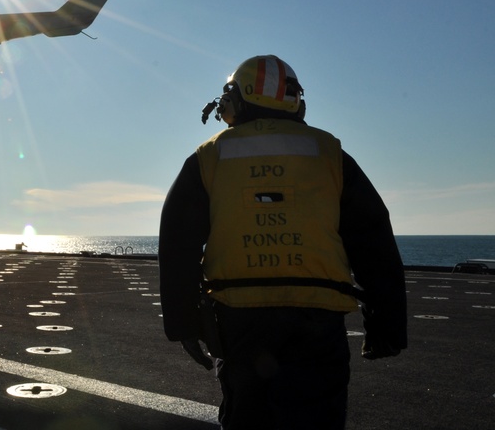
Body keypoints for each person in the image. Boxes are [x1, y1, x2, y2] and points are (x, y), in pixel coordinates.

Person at [158, 55, 407, 430]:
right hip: (317, 320)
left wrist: (183, 324)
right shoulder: (330, 154)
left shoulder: (209, 157)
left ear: (236, 100)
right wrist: (387, 327)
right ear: (295, 101)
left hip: (238, 318)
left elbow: (177, 242)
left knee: (246, 419)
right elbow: (374, 241)